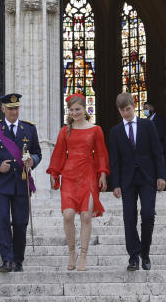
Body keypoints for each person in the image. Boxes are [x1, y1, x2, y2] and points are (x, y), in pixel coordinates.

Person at [0, 93, 41, 273]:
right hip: (1, 183)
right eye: (11, 108)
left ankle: (18, 260)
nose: (14, 111)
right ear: (3, 109)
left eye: (17, 108)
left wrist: (33, 161)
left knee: (21, 223)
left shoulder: (28, 129)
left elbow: (37, 152)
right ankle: (6, 260)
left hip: (21, 182)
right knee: (3, 220)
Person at [47, 93, 110, 272]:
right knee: (67, 215)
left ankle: (83, 256)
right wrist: (54, 173)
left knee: (85, 216)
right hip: (69, 176)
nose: (74, 113)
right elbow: (59, 153)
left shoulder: (95, 130)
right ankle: (71, 252)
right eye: (71, 110)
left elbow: (100, 154)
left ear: (85, 109)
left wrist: (103, 174)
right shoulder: (64, 131)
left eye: (78, 109)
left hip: (88, 176)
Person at [108, 92, 166, 271]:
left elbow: (157, 151)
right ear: (119, 111)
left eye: (128, 109)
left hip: (147, 177)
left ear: (134, 106)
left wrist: (161, 176)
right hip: (127, 180)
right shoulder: (115, 132)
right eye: (122, 110)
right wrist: (115, 184)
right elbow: (114, 160)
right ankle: (133, 257)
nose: (126, 113)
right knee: (129, 217)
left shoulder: (147, 125)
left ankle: (145, 252)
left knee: (148, 214)